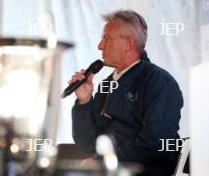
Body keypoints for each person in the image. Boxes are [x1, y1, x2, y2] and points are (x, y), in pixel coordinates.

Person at [69, 10, 183, 176]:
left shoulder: (159, 82)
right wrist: (84, 101)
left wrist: (103, 162)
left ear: (129, 44)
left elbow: (156, 142)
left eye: (106, 38)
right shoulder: (107, 84)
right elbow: (86, 144)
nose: (100, 45)